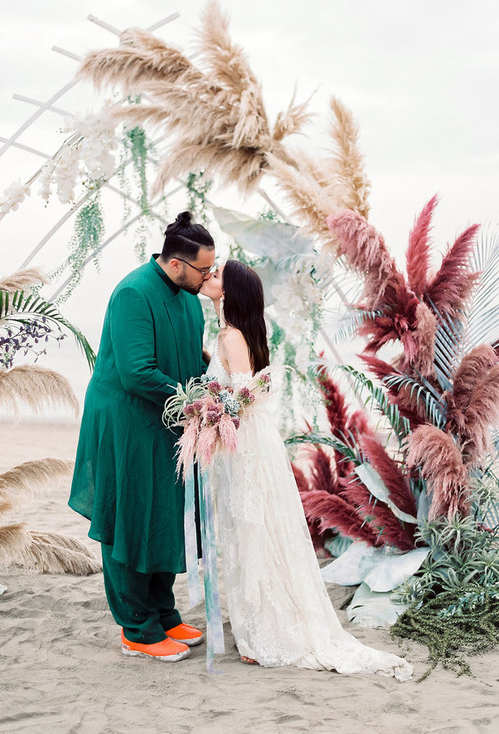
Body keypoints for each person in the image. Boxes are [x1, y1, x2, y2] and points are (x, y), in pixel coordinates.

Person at [199, 260, 413, 680]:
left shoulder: (232, 335)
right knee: (251, 530)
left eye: (217, 275)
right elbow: (246, 385)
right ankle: (258, 625)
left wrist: (210, 412)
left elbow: (241, 396)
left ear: (232, 291)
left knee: (253, 530)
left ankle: (266, 632)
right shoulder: (234, 336)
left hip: (247, 446)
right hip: (249, 443)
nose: (208, 277)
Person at [69, 211, 216, 662]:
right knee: (131, 516)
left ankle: (163, 612)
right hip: (127, 420)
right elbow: (137, 373)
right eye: (203, 270)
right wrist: (195, 401)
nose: (209, 278)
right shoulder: (134, 292)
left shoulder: (190, 300)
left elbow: (192, 357)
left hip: (169, 421)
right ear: (175, 264)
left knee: (166, 514)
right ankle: (137, 628)